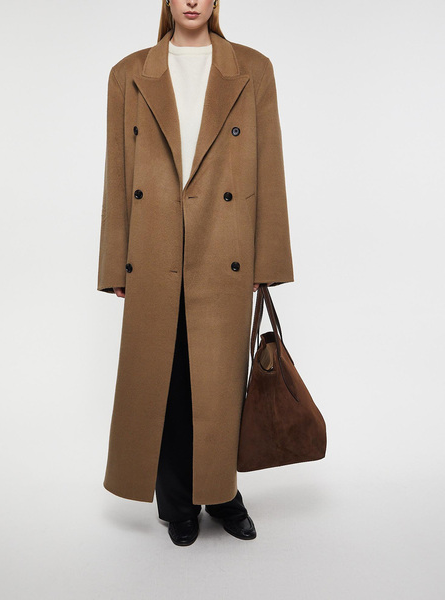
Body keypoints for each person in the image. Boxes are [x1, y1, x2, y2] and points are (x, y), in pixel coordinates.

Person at [97, 0, 294, 546]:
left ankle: (223, 493)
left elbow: (269, 166)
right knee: (164, 380)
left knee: (219, 380)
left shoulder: (252, 69)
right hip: (154, 242)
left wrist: (267, 258)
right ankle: (177, 502)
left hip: (223, 241)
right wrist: (115, 262)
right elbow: (117, 172)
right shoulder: (128, 74)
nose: (191, 0)